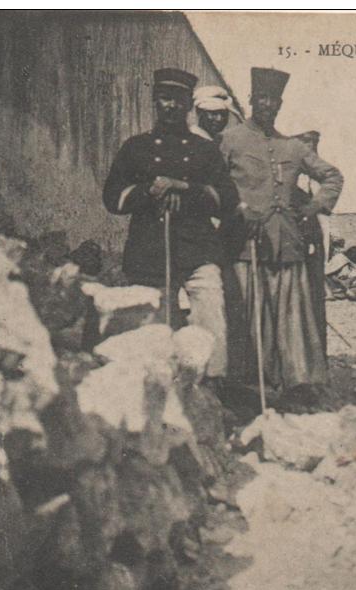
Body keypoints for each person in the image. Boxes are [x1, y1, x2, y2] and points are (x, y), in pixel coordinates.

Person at [102, 68, 239, 386]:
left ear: (188, 105)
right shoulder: (136, 148)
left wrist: (186, 188)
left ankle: (212, 386)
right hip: (150, 250)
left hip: (197, 250)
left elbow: (228, 199)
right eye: (164, 98)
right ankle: (156, 389)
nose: (171, 106)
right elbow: (112, 198)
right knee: (154, 329)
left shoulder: (204, 150)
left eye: (178, 100)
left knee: (210, 314)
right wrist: (148, 191)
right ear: (155, 101)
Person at [219, 67, 344, 397]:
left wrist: (313, 208)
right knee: (247, 316)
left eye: (273, 100)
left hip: (286, 244)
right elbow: (215, 184)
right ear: (250, 100)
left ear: (280, 104)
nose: (267, 105)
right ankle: (246, 385)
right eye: (262, 98)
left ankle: (295, 382)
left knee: (290, 318)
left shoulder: (293, 147)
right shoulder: (230, 140)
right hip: (244, 246)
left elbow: (332, 177)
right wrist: (235, 213)